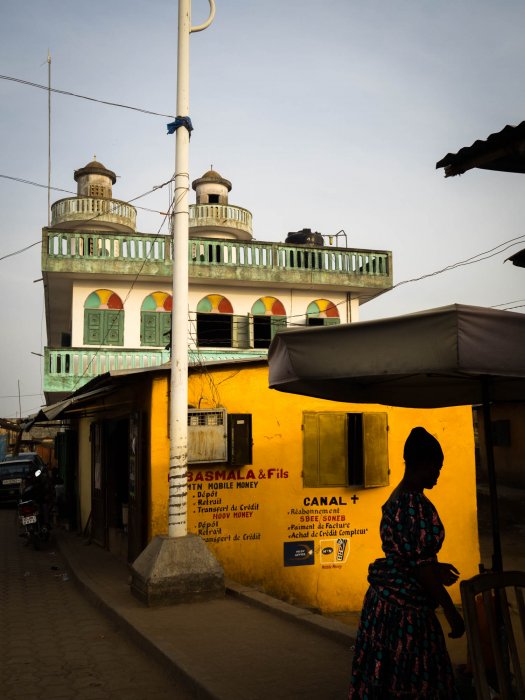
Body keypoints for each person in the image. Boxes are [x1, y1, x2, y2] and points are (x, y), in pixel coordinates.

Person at [348, 427, 465, 699]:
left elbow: (408, 555)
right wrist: (452, 612)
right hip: (406, 615)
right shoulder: (414, 504)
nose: (438, 474)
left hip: (383, 607)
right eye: (435, 468)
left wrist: (433, 567)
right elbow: (420, 568)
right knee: (418, 678)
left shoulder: (397, 498)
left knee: (384, 677)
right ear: (420, 465)